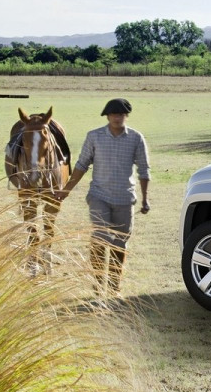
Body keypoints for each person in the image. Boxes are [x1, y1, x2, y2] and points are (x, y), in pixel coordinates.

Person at [57, 98, 150, 295]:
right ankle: (98, 285)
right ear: (107, 116)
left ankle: (114, 287)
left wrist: (145, 198)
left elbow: (144, 169)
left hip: (125, 198)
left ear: (126, 116)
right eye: (114, 114)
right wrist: (66, 190)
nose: (117, 117)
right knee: (100, 238)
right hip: (99, 196)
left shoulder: (136, 138)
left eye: (121, 114)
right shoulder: (94, 137)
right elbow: (82, 164)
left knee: (119, 243)